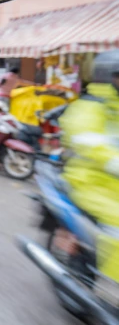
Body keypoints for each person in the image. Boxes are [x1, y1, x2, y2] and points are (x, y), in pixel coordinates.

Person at [59, 50, 119, 286]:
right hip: (88, 182)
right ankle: (111, 292)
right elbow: (86, 141)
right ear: (108, 76)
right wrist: (113, 160)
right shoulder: (88, 107)